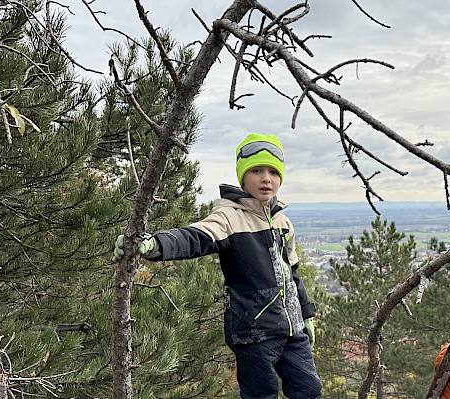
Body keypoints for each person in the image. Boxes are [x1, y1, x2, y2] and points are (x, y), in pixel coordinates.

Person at [113, 133, 322, 399]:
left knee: (309, 390)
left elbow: (293, 274)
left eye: (273, 171)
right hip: (253, 333)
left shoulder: (283, 223)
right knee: (261, 393)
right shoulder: (229, 218)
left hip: (293, 330)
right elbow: (194, 237)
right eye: (256, 170)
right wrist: (154, 244)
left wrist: (306, 314)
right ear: (243, 177)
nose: (266, 178)